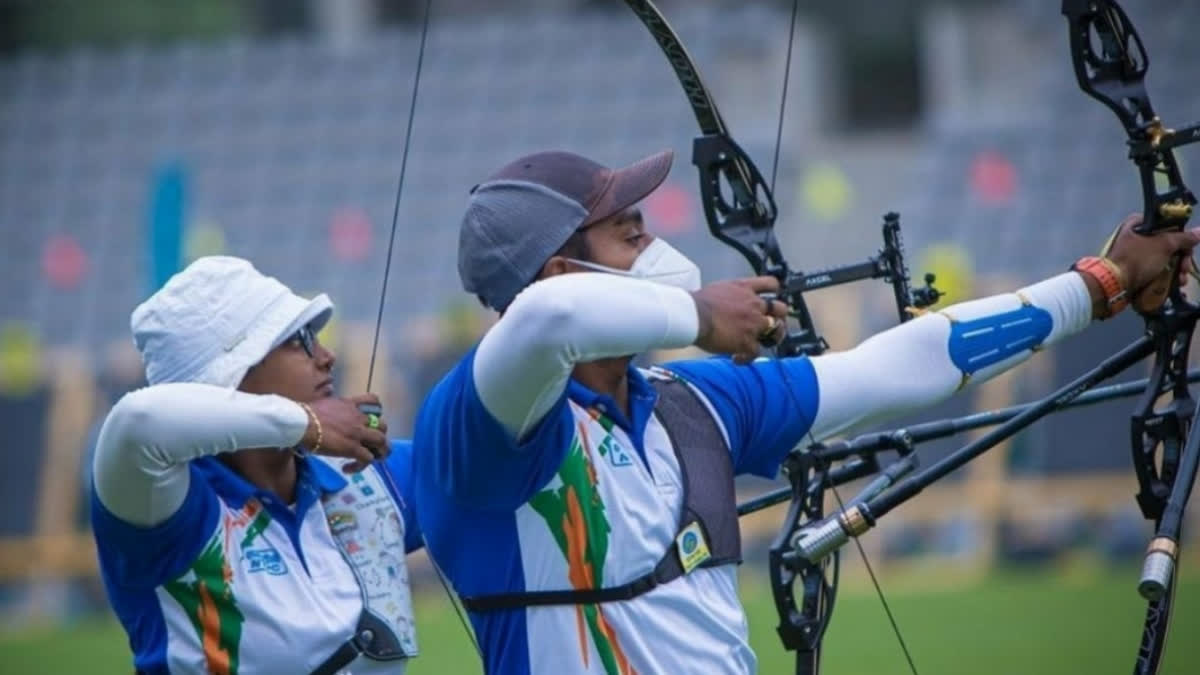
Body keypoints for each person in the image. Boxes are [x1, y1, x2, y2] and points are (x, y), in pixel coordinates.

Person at [411, 148, 1199, 674]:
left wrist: (1098, 284)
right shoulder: (480, 433)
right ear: (559, 270)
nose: (653, 242)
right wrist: (698, 315)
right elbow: (547, 323)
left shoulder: (691, 405)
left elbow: (901, 364)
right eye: (627, 233)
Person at [90, 256, 421, 675]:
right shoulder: (171, 511)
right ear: (233, 374)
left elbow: (487, 438)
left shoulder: (360, 478)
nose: (327, 356)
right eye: (299, 339)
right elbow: (135, 421)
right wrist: (307, 423)